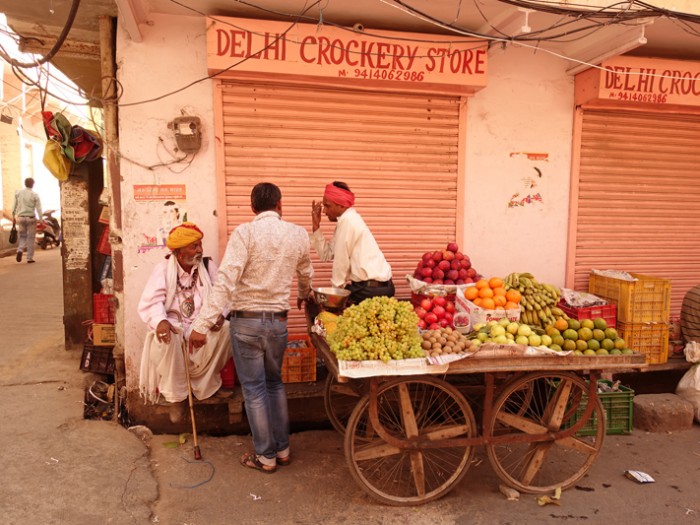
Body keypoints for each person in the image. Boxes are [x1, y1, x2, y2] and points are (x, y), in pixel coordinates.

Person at [190, 182, 313, 474]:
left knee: (255, 390)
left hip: (246, 323)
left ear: (253, 207)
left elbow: (226, 281)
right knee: (274, 384)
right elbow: (306, 273)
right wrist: (303, 294)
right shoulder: (298, 234)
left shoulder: (245, 233)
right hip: (278, 323)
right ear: (280, 205)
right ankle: (282, 450)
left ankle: (265, 457)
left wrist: (202, 324)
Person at [137, 222, 231, 405]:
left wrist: (220, 315)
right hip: (176, 328)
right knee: (168, 335)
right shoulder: (163, 269)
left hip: (202, 327)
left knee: (228, 329)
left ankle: (205, 387)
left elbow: (224, 295)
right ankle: (175, 394)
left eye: (200, 245)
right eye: (194, 246)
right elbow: (151, 302)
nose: (200, 250)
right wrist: (160, 321)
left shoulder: (207, 265)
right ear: (179, 253)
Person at [310, 181, 394, 304]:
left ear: (341, 206)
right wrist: (316, 227)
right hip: (373, 288)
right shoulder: (346, 221)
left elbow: (341, 262)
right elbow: (326, 255)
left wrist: (335, 297)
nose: (324, 212)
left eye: (327, 206)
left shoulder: (348, 221)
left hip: (370, 290)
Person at [12, 177, 43, 263]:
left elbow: (14, 205)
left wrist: (13, 216)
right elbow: (38, 208)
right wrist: (41, 219)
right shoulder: (35, 195)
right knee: (31, 238)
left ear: (25, 184)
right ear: (32, 184)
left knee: (22, 236)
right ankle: (29, 258)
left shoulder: (18, 193)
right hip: (31, 218)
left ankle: (20, 250)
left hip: (20, 217)